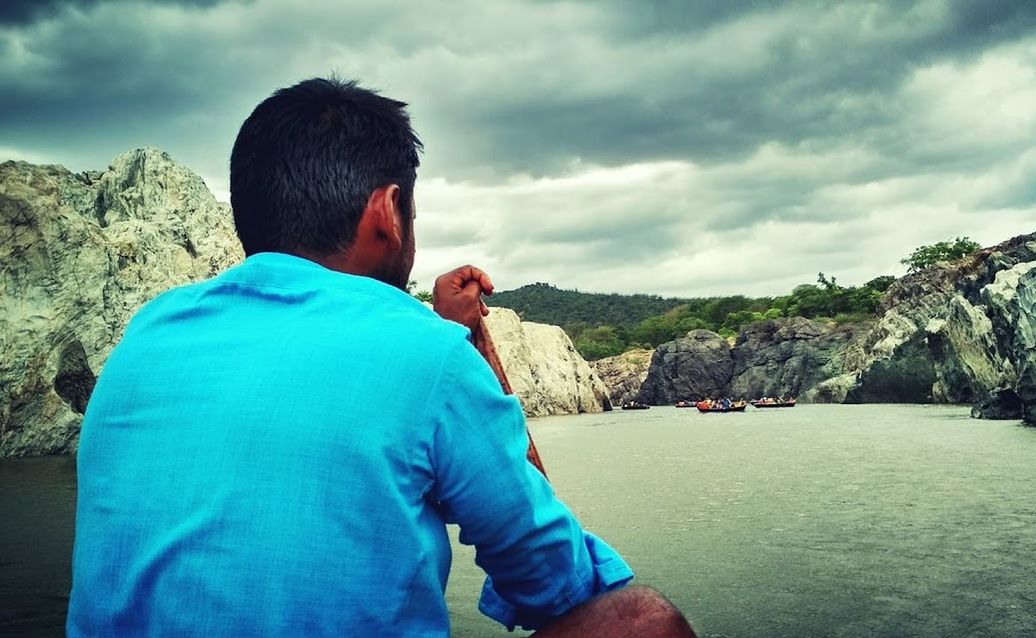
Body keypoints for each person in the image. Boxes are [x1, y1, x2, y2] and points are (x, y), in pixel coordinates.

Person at [67, 78, 694, 637]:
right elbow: (550, 581)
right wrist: (471, 343)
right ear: (389, 212)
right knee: (644, 620)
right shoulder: (428, 354)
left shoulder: (147, 334)